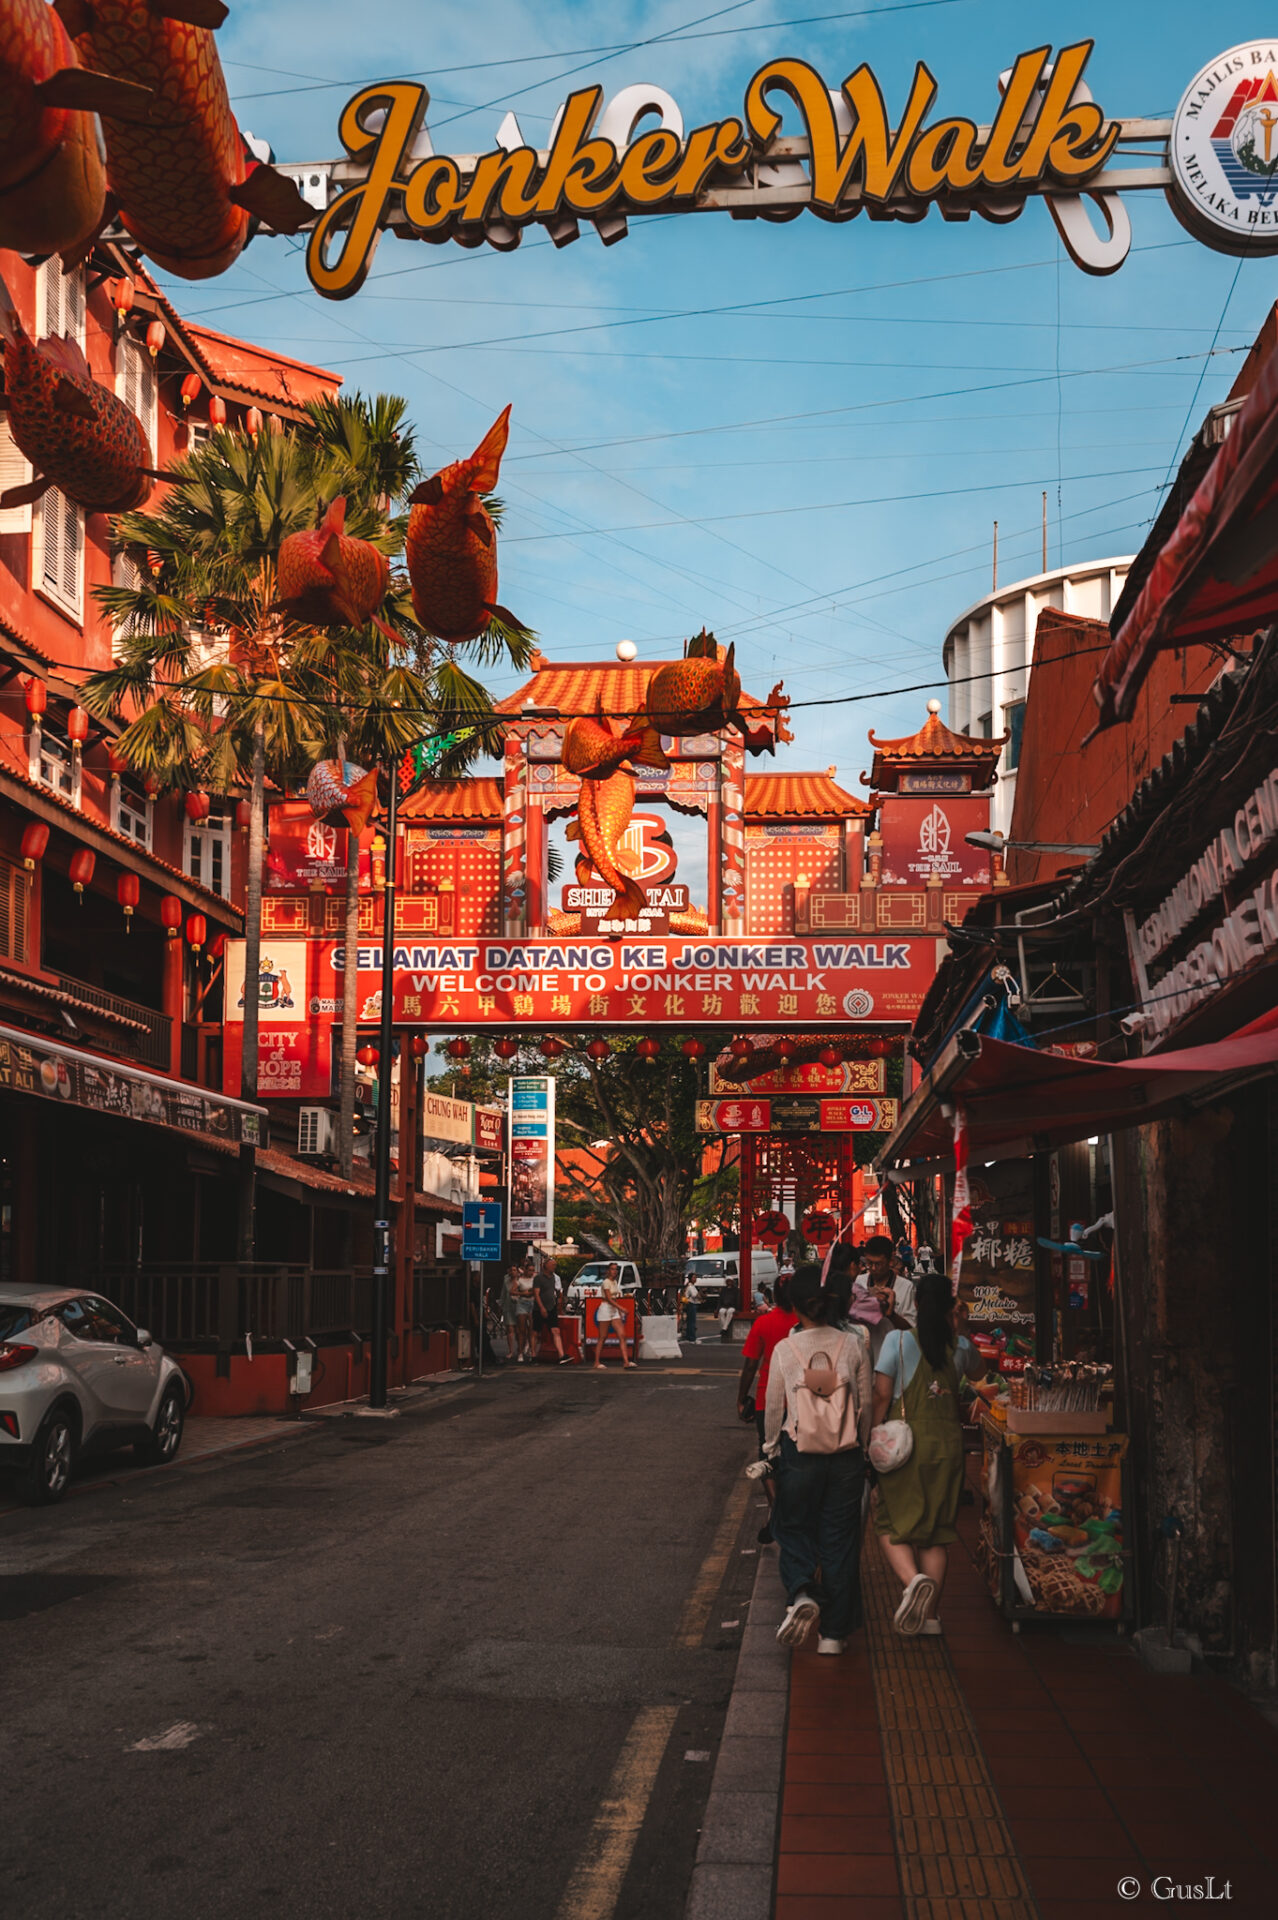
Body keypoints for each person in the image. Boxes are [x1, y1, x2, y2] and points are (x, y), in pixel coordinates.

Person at [765, 1266, 872, 1655]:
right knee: (839, 1543)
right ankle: (833, 1637)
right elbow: (864, 1405)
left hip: (799, 1452)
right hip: (845, 1456)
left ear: (795, 1306)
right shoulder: (853, 1344)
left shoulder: (785, 1349)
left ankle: (803, 1592)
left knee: (791, 1527)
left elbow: (774, 1406)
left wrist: (770, 1450)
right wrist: (862, 1448)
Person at [872, 1268, 982, 1636]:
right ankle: (930, 1617)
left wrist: (873, 1433)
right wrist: (961, 1328)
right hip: (949, 1445)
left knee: (890, 1523)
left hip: (906, 1446)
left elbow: (882, 1395)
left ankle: (913, 1580)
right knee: (937, 1533)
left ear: (916, 1304)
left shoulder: (898, 1343)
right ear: (952, 1308)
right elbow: (981, 1373)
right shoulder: (962, 1348)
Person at [737, 1275, 797, 1543]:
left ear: (773, 1296)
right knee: (795, 1457)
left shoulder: (764, 1322)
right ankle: (785, 1512)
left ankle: (777, 1510)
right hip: (801, 1402)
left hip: (767, 1401)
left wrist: (741, 1397)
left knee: (767, 1454)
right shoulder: (805, 1323)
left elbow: (750, 1365)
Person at [593, 1261, 633, 1369]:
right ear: (608, 1271)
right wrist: (621, 1308)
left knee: (622, 1335)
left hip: (614, 1310)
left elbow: (615, 1298)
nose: (614, 1271)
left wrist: (618, 1309)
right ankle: (596, 1362)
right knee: (603, 1337)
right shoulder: (606, 1282)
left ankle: (626, 1361)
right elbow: (609, 1298)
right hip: (605, 1309)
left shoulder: (614, 1282)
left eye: (616, 1269)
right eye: (612, 1269)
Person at [533, 1255, 572, 1365]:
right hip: (539, 1308)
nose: (554, 1267)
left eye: (555, 1265)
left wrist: (558, 1304)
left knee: (555, 1330)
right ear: (546, 1266)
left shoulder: (554, 1278)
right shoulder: (538, 1278)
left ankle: (561, 1355)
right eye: (552, 1265)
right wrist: (541, 1308)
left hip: (551, 1307)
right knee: (536, 1332)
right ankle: (533, 1355)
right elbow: (536, 1294)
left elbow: (557, 1292)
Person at [511, 1260, 536, 1363]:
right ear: (525, 1270)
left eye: (533, 1271)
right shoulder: (520, 1280)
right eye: (529, 1270)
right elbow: (512, 1291)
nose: (531, 1272)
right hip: (522, 1303)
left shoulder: (535, 1279)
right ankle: (520, 1352)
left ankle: (531, 1350)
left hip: (532, 1303)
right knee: (522, 1330)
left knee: (532, 1330)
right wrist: (523, 1293)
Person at [683, 1275, 701, 1344]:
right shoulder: (690, 1287)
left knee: (690, 1321)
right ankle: (692, 1338)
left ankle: (689, 1337)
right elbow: (694, 1295)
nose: (695, 1278)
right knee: (692, 1322)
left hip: (692, 1304)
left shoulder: (692, 1286)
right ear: (690, 1279)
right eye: (694, 1277)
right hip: (691, 1304)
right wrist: (700, 1294)